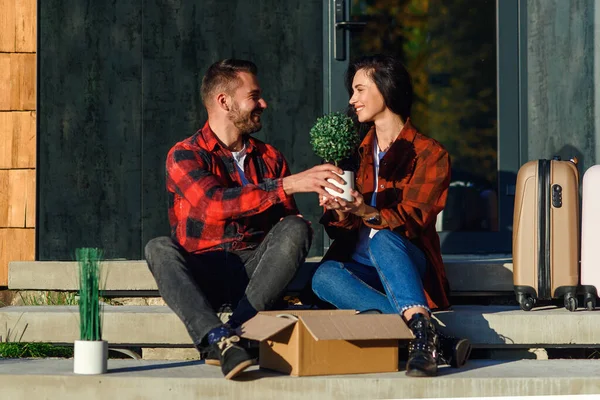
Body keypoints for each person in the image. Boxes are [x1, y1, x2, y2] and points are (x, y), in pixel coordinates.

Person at [145, 59, 344, 380]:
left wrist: (336, 209)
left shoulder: (270, 157)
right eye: (254, 96)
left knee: (296, 226)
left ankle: (236, 330)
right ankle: (215, 336)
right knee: (158, 247)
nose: (263, 104)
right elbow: (212, 204)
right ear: (224, 101)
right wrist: (289, 184)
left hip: (254, 277)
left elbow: (287, 228)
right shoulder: (185, 154)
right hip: (202, 273)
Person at [311, 54, 471, 377]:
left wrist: (367, 212)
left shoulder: (430, 154)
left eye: (359, 89)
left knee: (383, 239)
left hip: (407, 259)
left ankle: (423, 339)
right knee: (322, 277)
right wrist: (339, 211)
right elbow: (342, 232)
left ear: (386, 88)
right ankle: (429, 337)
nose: (352, 100)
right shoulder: (353, 152)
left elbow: (414, 219)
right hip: (363, 269)